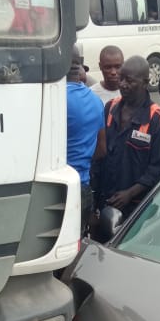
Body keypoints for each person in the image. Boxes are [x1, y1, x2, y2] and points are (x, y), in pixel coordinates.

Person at [95, 55, 160, 218]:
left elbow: (158, 169)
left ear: (145, 83)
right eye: (121, 78)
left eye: (129, 81)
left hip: (136, 209)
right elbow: (100, 155)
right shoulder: (110, 108)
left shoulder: (157, 119)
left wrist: (130, 193)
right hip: (105, 201)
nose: (122, 84)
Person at [65, 45, 105, 235]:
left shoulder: (55, 99)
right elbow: (101, 149)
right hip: (84, 188)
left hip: (57, 191)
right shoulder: (96, 101)